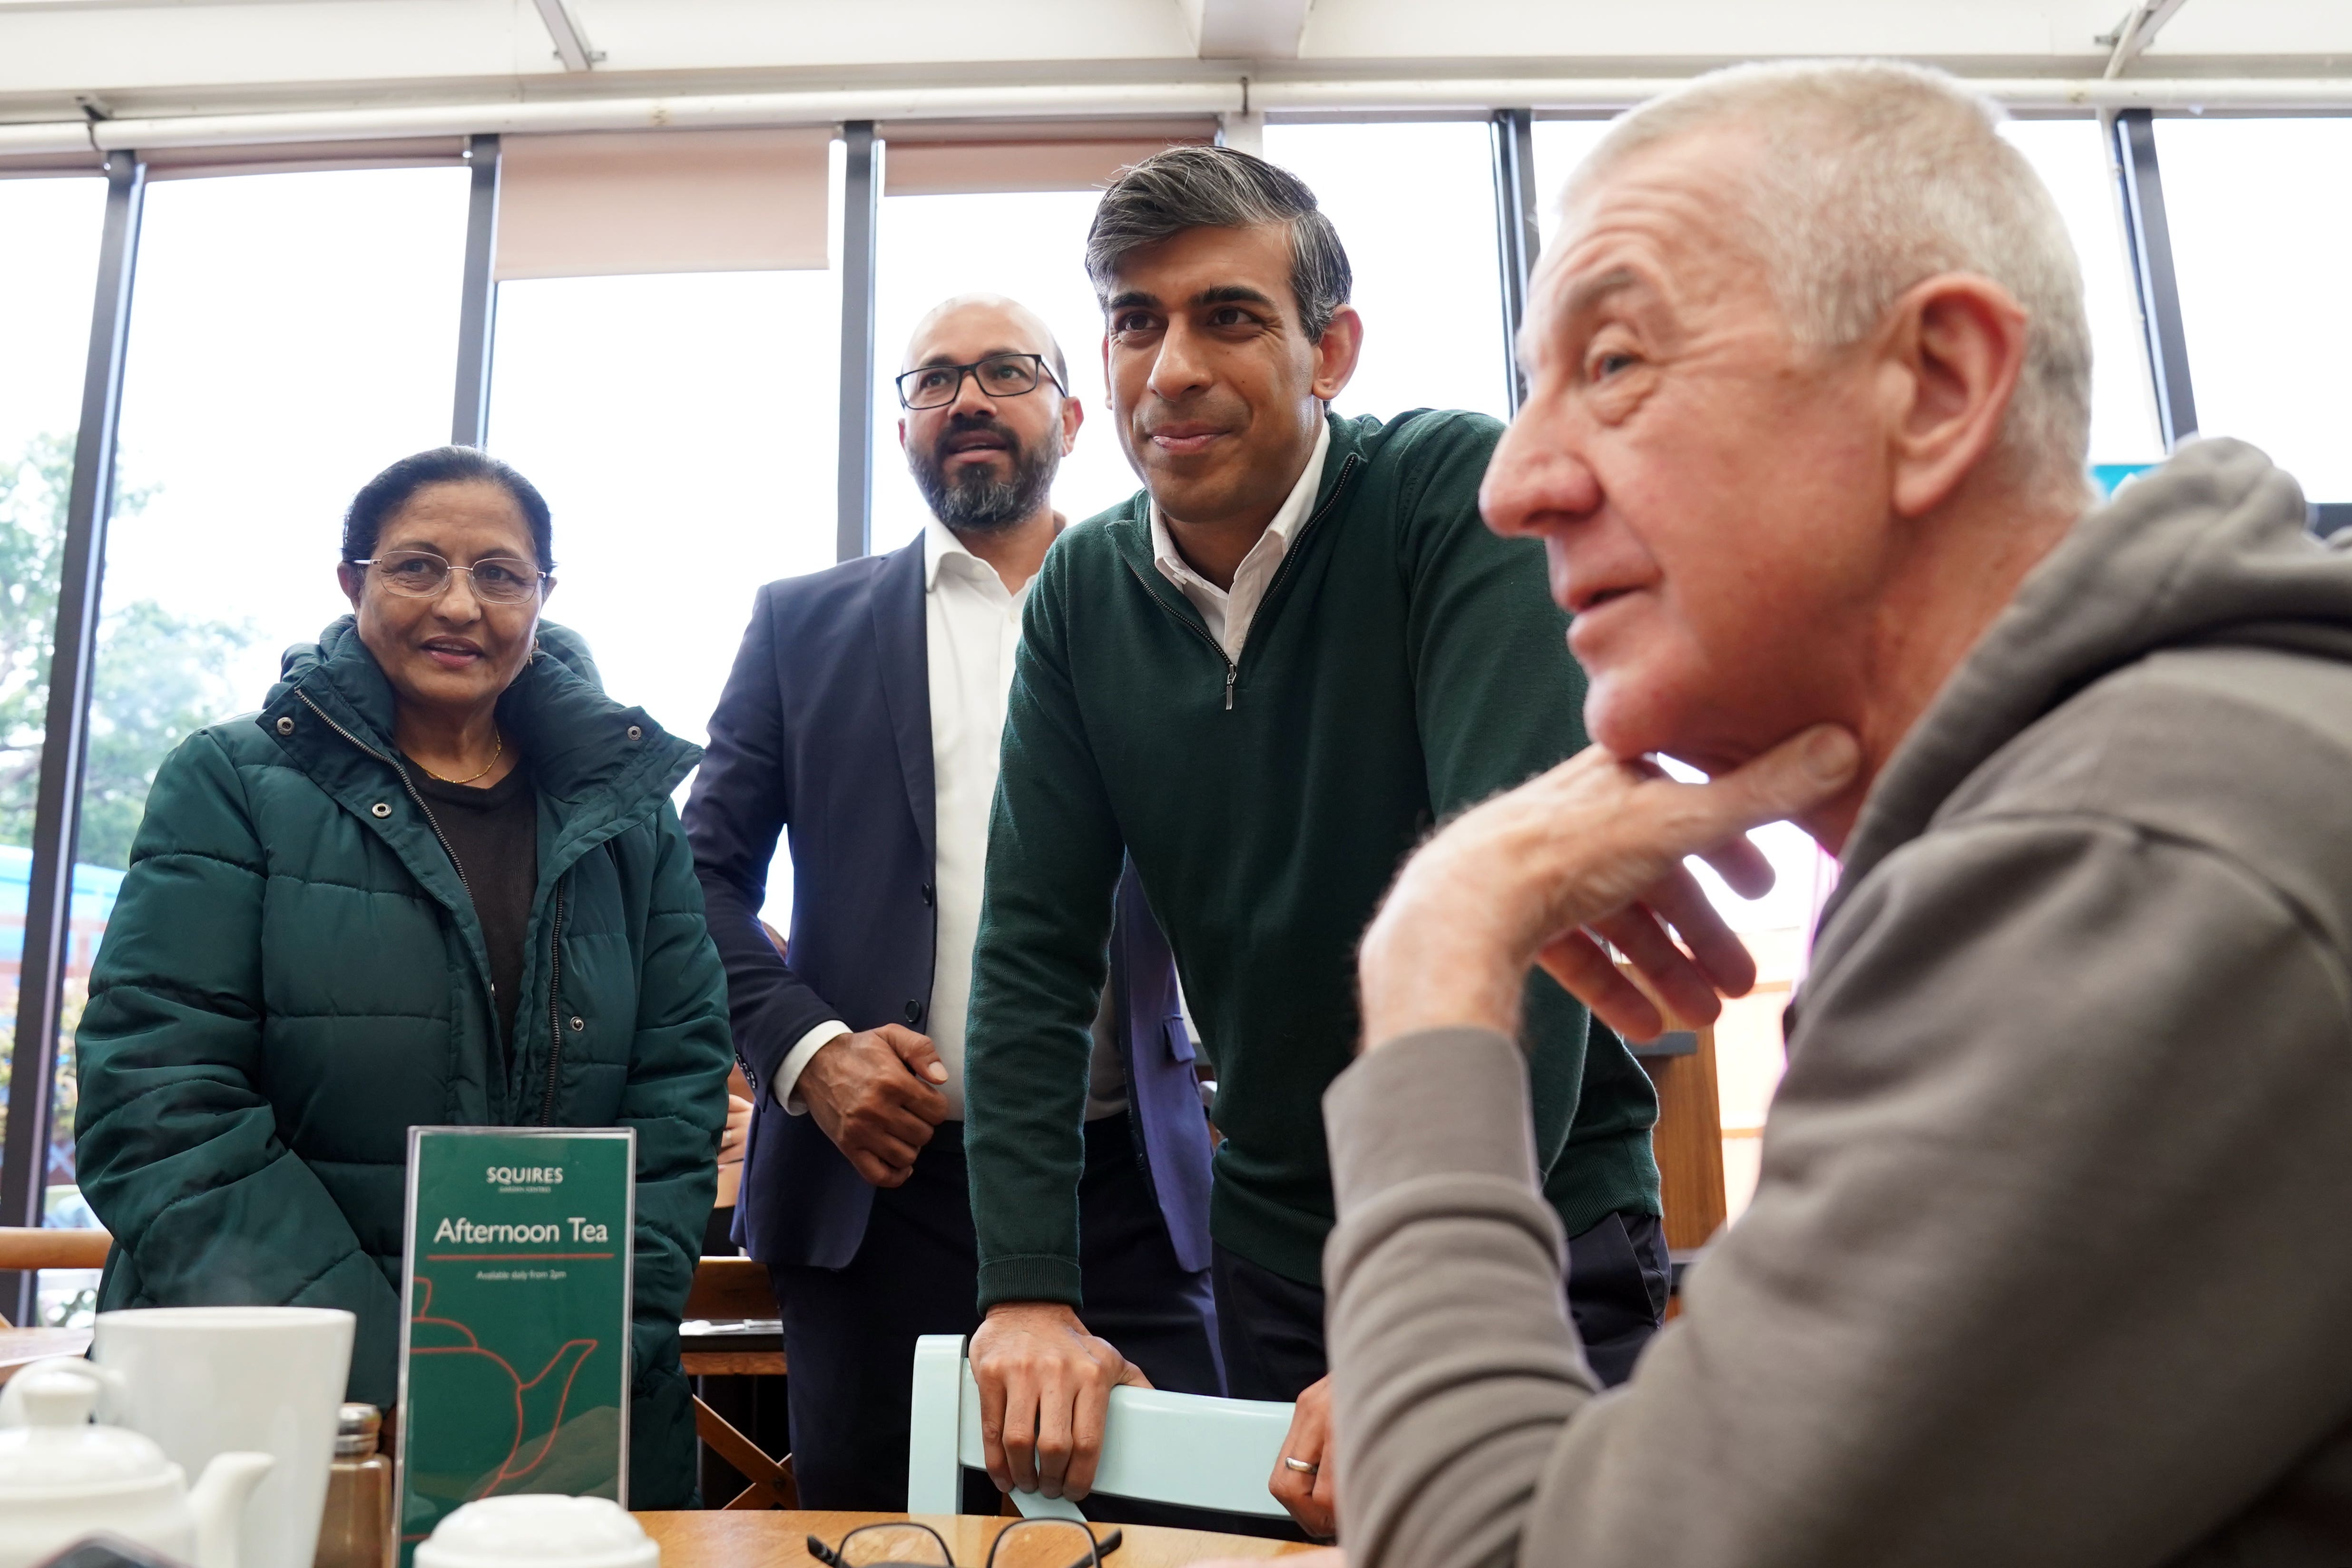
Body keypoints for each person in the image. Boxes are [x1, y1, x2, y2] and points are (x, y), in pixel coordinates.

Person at [1313, 59, 2352, 1566]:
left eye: (1611, 363)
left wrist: (1440, 943)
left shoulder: (2131, 864)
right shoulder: (2147, 793)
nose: (1518, 482)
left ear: (1935, 387)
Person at [962, 145, 1666, 1536]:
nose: (1171, 368)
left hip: (1535, 1224)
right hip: (1280, 1245)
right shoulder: (1079, 600)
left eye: (1228, 316)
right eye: (1133, 318)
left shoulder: (1451, 501)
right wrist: (1026, 1288)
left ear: (1329, 349)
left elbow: (1505, 896)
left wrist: (1434, 1307)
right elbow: (1036, 955)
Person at [73, 445, 734, 1507]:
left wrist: (594, 1332)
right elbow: (157, 1102)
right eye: (418, 567)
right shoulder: (231, 782)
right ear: (354, 582)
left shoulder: (628, 818)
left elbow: (681, 1085)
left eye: (501, 575)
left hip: (569, 1394)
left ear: (544, 596)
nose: (460, 605)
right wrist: (393, 1372)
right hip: (282, 1409)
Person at [685, 294, 1223, 1512]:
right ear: (905, 430)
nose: (965, 398)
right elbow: (693, 882)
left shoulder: (1177, 608)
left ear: (1075, 415)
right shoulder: (801, 625)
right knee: (884, 1540)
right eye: (932, 381)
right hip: (880, 1198)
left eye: (1002, 372)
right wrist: (807, 1052)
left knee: (1190, 1536)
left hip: (1129, 1194)